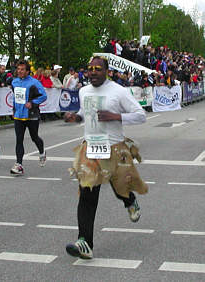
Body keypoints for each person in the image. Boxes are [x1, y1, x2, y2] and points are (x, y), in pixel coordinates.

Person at [64, 56, 148, 259]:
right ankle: (85, 242)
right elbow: (84, 112)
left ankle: (130, 201)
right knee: (87, 195)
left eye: (97, 69)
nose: (92, 72)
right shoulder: (84, 91)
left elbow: (141, 115)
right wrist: (76, 117)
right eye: (90, 69)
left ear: (107, 71)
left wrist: (116, 116)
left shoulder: (118, 91)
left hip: (115, 149)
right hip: (91, 148)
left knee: (120, 189)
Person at [10, 60, 47, 175]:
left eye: (22, 69)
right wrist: (14, 110)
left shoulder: (34, 82)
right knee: (19, 140)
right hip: (19, 116)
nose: (19, 71)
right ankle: (19, 165)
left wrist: (32, 103)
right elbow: (15, 98)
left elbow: (44, 96)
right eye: (18, 69)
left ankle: (42, 152)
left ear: (27, 71)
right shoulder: (14, 82)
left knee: (34, 137)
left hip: (31, 115)